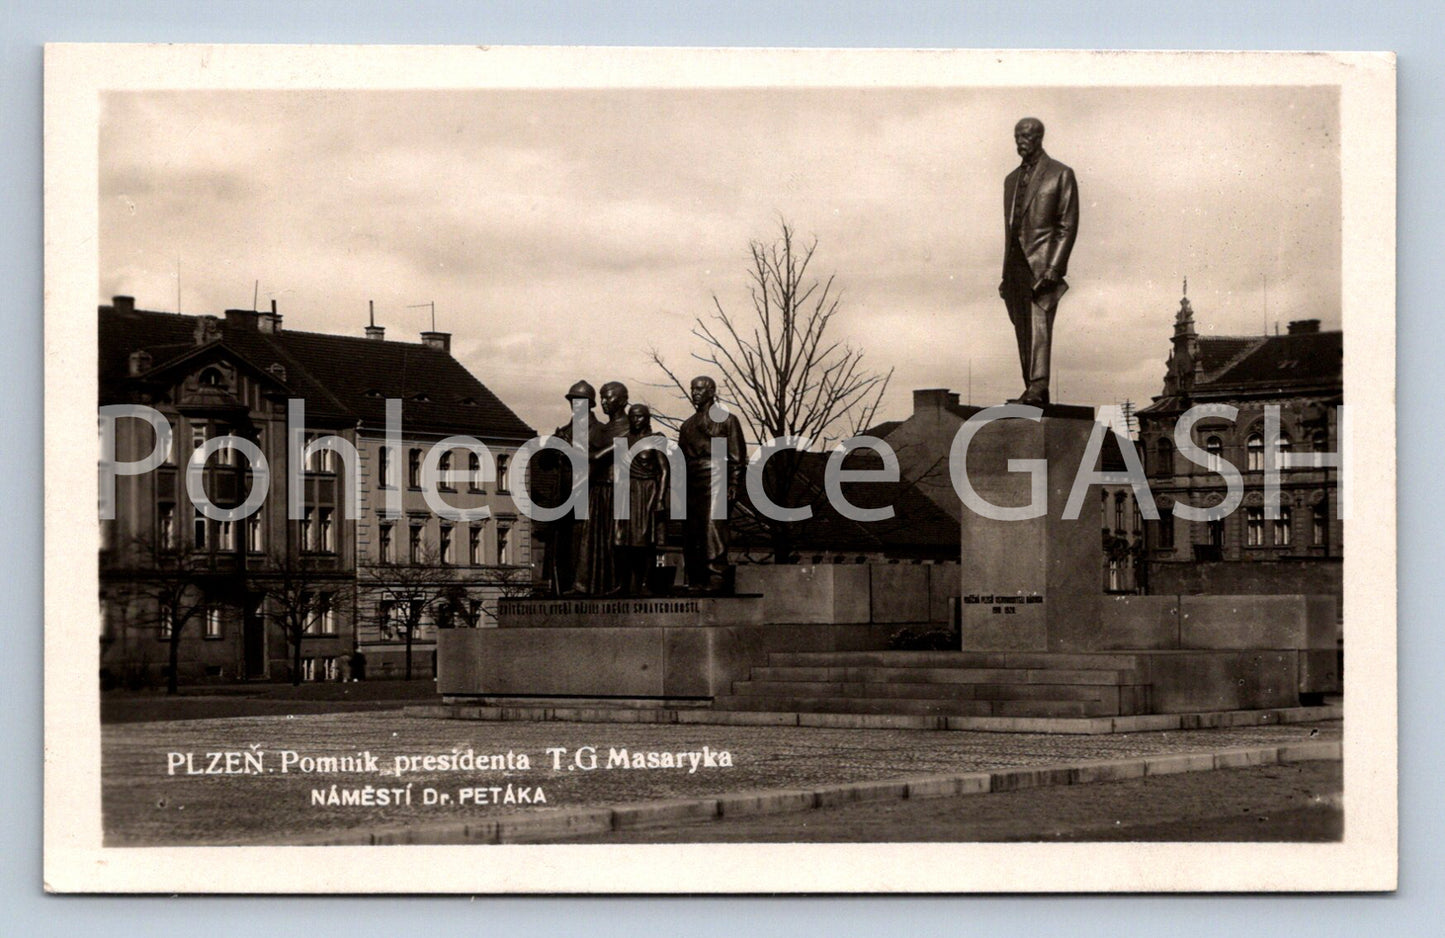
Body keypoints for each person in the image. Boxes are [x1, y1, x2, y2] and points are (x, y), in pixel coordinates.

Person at [998, 117, 1079, 406]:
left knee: (1039, 325)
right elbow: (1011, 229)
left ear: (1039, 137)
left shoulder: (1060, 174)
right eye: (1017, 134)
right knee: (1023, 329)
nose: (1021, 140)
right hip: (1015, 267)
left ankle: (1038, 385)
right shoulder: (1010, 180)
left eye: (1027, 135)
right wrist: (1006, 273)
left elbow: (1066, 225)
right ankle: (1031, 388)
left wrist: (1054, 268)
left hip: (1042, 265)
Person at [677, 376, 746, 593]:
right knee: (693, 532)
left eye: (699, 389)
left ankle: (716, 576)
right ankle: (697, 578)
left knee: (712, 528)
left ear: (711, 391)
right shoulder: (687, 425)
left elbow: (737, 455)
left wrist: (733, 482)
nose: (695, 393)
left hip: (716, 475)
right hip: (691, 479)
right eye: (692, 388)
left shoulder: (727, 420)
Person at [574, 381, 631, 595]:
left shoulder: (629, 428)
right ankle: (585, 586)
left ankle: (615, 585)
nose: (604, 402)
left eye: (609, 397)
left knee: (613, 541)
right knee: (591, 540)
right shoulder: (600, 429)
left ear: (623, 400)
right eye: (602, 397)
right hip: (597, 490)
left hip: (618, 490)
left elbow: (596, 457)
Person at [614, 403, 670, 595]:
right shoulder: (624, 440)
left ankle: (645, 583)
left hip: (648, 491)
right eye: (632, 416)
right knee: (621, 540)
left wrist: (660, 499)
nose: (635, 420)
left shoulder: (656, 440)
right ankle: (623, 584)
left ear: (647, 418)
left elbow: (664, 471)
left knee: (645, 540)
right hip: (627, 490)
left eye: (639, 416)